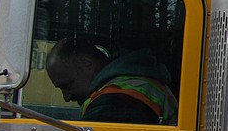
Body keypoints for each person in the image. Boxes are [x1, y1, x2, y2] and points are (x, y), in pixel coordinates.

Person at [46, 37, 178, 125]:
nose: (66, 98)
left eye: (67, 85)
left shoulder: (117, 100)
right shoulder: (138, 82)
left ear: (86, 63)